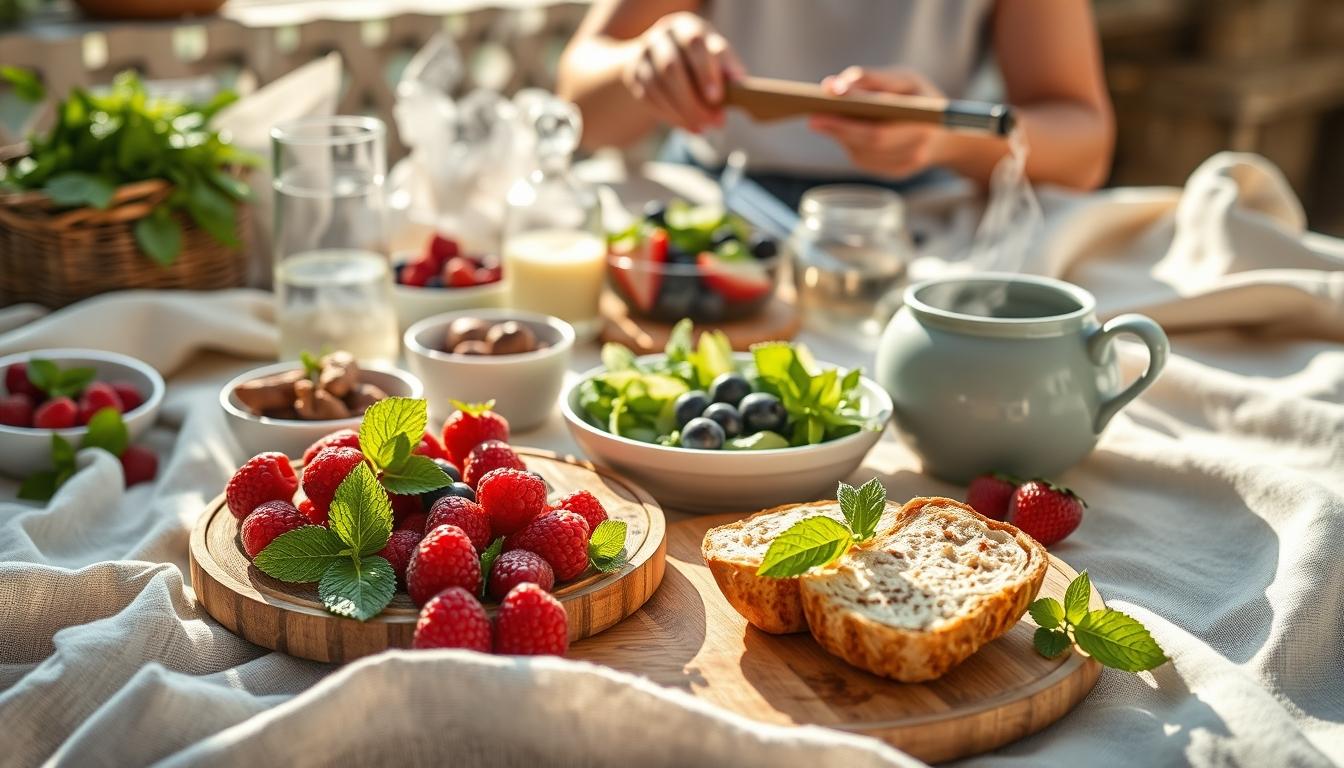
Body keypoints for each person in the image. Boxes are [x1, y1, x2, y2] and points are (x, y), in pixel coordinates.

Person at [558, 0, 1115, 206]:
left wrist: (945, 139)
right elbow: (578, 111)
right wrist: (644, 66)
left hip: (917, 217)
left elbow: (1084, 146)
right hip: (715, 198)